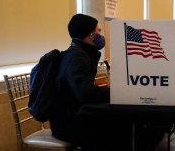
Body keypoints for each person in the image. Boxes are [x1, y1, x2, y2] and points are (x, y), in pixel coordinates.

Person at [50, 14, 166, 150]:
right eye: (98, 30)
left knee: (129, 124)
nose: (100, 34)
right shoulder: (77, 57)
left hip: (74, 117)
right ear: (91, 35)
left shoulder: (78, 53)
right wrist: (117, 93)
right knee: (129, 128)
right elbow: (84, 92)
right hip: (70, 124)